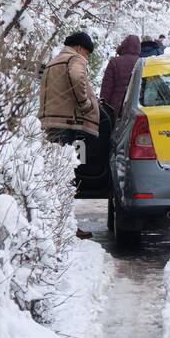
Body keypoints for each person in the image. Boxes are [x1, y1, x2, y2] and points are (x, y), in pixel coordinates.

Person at [38, 31, 99, 240]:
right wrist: (86, 103)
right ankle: (68, 226)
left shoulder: (55, 61)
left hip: (52, 122)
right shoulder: (74, 59)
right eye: (87, 54)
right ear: (81, 48)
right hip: (66, 124)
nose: (87, 58)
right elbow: (77, 76)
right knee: (67, 175)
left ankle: (57, 223)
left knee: (56, 175)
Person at [101, 34, 141, 115]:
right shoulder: (142, 63)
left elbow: (107, 87)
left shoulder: (114, 62)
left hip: (115, 107)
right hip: (136, 108)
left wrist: (103, 106)